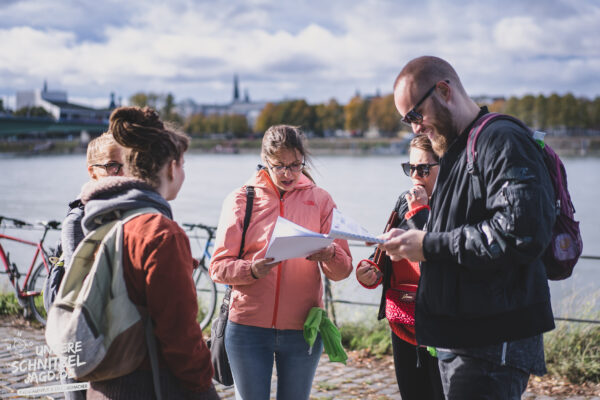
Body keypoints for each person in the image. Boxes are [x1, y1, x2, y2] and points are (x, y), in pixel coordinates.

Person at [380, 56, 556, 399]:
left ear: (444, 91)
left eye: (416, 115)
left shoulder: (502, 140)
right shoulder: (457, 150)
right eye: (407, 121)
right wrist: (416, 238)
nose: (414, 128)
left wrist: (428, 244)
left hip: (491, 344)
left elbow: (520, 234)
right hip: (462, 340)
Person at [80, 106, 219, 399]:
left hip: (103, 381)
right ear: (171, 167)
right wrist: (204, 386)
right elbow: (179, 333)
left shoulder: (106, 218)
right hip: (149, 383)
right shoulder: (161, 232)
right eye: (183, 164)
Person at [209, 124, 353, 400]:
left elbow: (343, 270)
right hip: (247, 328)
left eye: (296, 165)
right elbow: (218, 267)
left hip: (303, 329)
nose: (288, 174)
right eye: (279, 166)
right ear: (265, 161)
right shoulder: (241, 199)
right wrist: (250, 269)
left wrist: (330, 254)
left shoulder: (321, 200)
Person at [355, 134, 443, 400]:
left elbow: (438, 252)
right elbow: (384, 246)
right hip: (403, 314)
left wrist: (420, 212)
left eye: (424, 168)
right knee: (411, 393)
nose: (415, 176)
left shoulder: (452, 204)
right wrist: (370, 270)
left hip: (438, 319)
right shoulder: (403, 200)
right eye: (411, 168)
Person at [49, 132, 126, 400]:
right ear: (92, 172)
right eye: (112, 165)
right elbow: (83, 287)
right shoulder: (76, 221)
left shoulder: (128, 212)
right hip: (81, 337)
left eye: (125, 163)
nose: (120, 172)